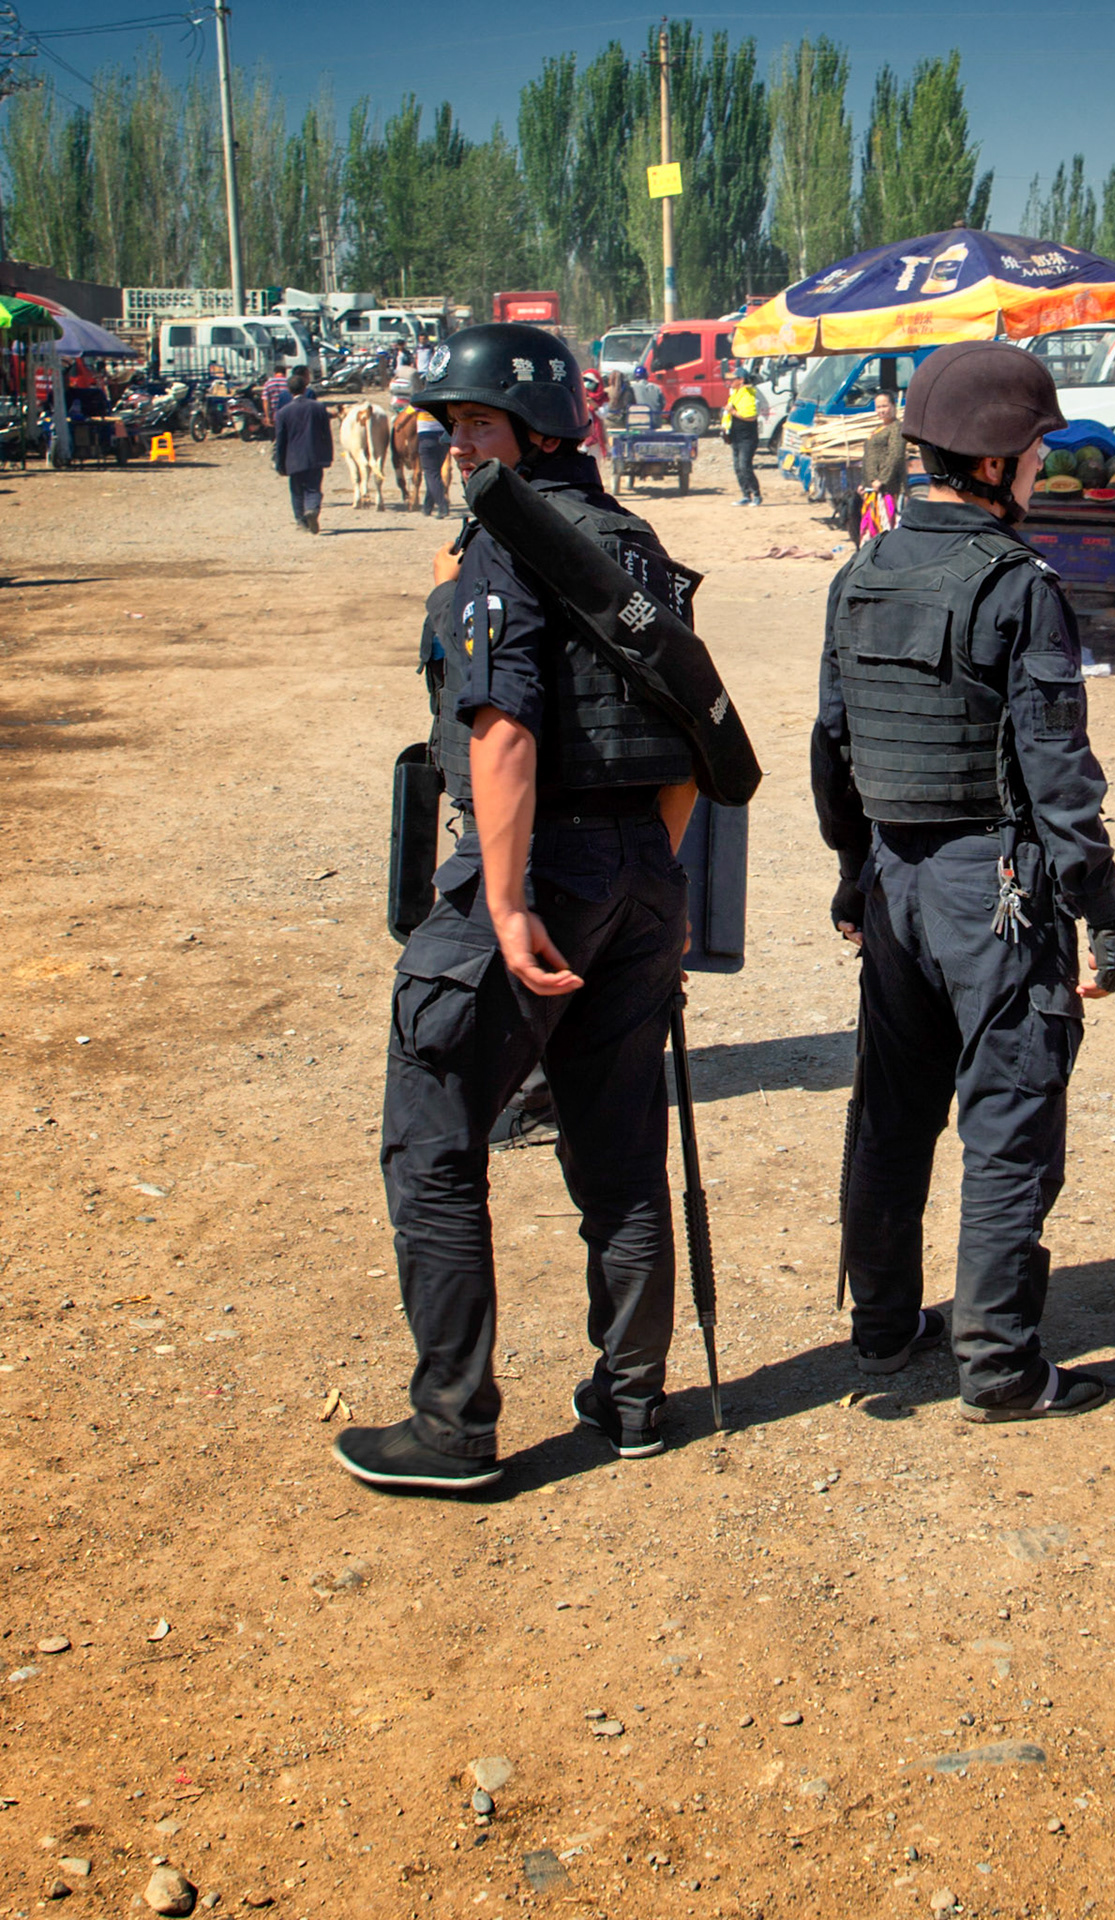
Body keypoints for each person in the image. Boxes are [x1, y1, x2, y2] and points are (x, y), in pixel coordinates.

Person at [331, 322, 711, 1493]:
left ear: (538, 429)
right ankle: (633, 1398)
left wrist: (504, 906)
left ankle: (452, 1427)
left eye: (478, 425)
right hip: (644, 873)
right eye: (449, 428)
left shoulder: (507, 541)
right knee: (617, 1142)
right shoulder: (636, 544)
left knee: (434, 1140)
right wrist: (650, 875)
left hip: (538, 876)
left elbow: (501, 731)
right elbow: (694, 732)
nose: (456, 448)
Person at [813, 341, 1115, 1422]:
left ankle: (883, 1325)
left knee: (892, 1113)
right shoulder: (1019, 585)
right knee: (1007, 1121)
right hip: (989, 888)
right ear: (997, 461)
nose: (1044, 464)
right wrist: (1107, 916)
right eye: (1038, 447)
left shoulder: (859, 572)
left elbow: (832, 744)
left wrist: (857, 875)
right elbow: (1058, 774)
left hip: (896, 883)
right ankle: (998, 1365)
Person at [271, 365, 334, 534]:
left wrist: (279, 462)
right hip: (315, 455)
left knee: (297, 490)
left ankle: (301, 522)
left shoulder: (283, 413)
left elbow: (281, 440)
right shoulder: (318, 408)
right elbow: (326, 434)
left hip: (293, 458)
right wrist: (328, 455)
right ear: (305, 387)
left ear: (289, 391)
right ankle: (312, 509)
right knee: (313, 487)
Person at [858, 390, 909, 542]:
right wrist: (864, 483)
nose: (881, 410)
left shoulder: (896, 428)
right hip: (872, 487)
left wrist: (882, 479)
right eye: (878, 407)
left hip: (887, 488)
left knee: (886, 526)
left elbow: (895, 455)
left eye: (884, 406)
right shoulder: (878, 429)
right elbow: (869, 458)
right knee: (871, 527)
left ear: (893, 406)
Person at [724, 370, 762, 505]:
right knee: (738, 467)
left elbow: (751, 416)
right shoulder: (735, 394)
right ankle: (746, 495)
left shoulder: (747, 395)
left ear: (741, 380)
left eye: (733, 379)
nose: (730, 382)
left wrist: (733, 412)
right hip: (736, 436)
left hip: (747, 438)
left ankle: (756, 494)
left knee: (745, 466)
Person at [415, 405, 452, 518]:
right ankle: (427, 507)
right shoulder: (442, 403)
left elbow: (406, 414)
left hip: (426, 438)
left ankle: (443, 506)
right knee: (434, 473)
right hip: (442, 438)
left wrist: (399, 425)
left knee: (431, 473)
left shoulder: (420, 404)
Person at [261, 359, 291, 425]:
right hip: (289, 414)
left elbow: (265, 401)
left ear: (275, 373)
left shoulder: (268, 383)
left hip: (275, 415)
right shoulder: (289, 383)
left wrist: (267, 417)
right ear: (285, 373)